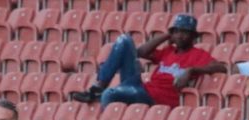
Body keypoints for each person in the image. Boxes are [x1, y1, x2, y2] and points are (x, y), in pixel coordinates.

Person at [71, 14, 226, 108]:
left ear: (193, 36)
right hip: (141, 88)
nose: (180, 36)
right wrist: (167, 35)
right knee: (124, 41)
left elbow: (221, 67)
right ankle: (98, 86)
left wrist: (192, 70)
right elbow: (141, 52)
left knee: (109, 95)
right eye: (177, 32)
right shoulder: (169, 51)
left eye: (185, 33)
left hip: (156, 98)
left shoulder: (198, 54)